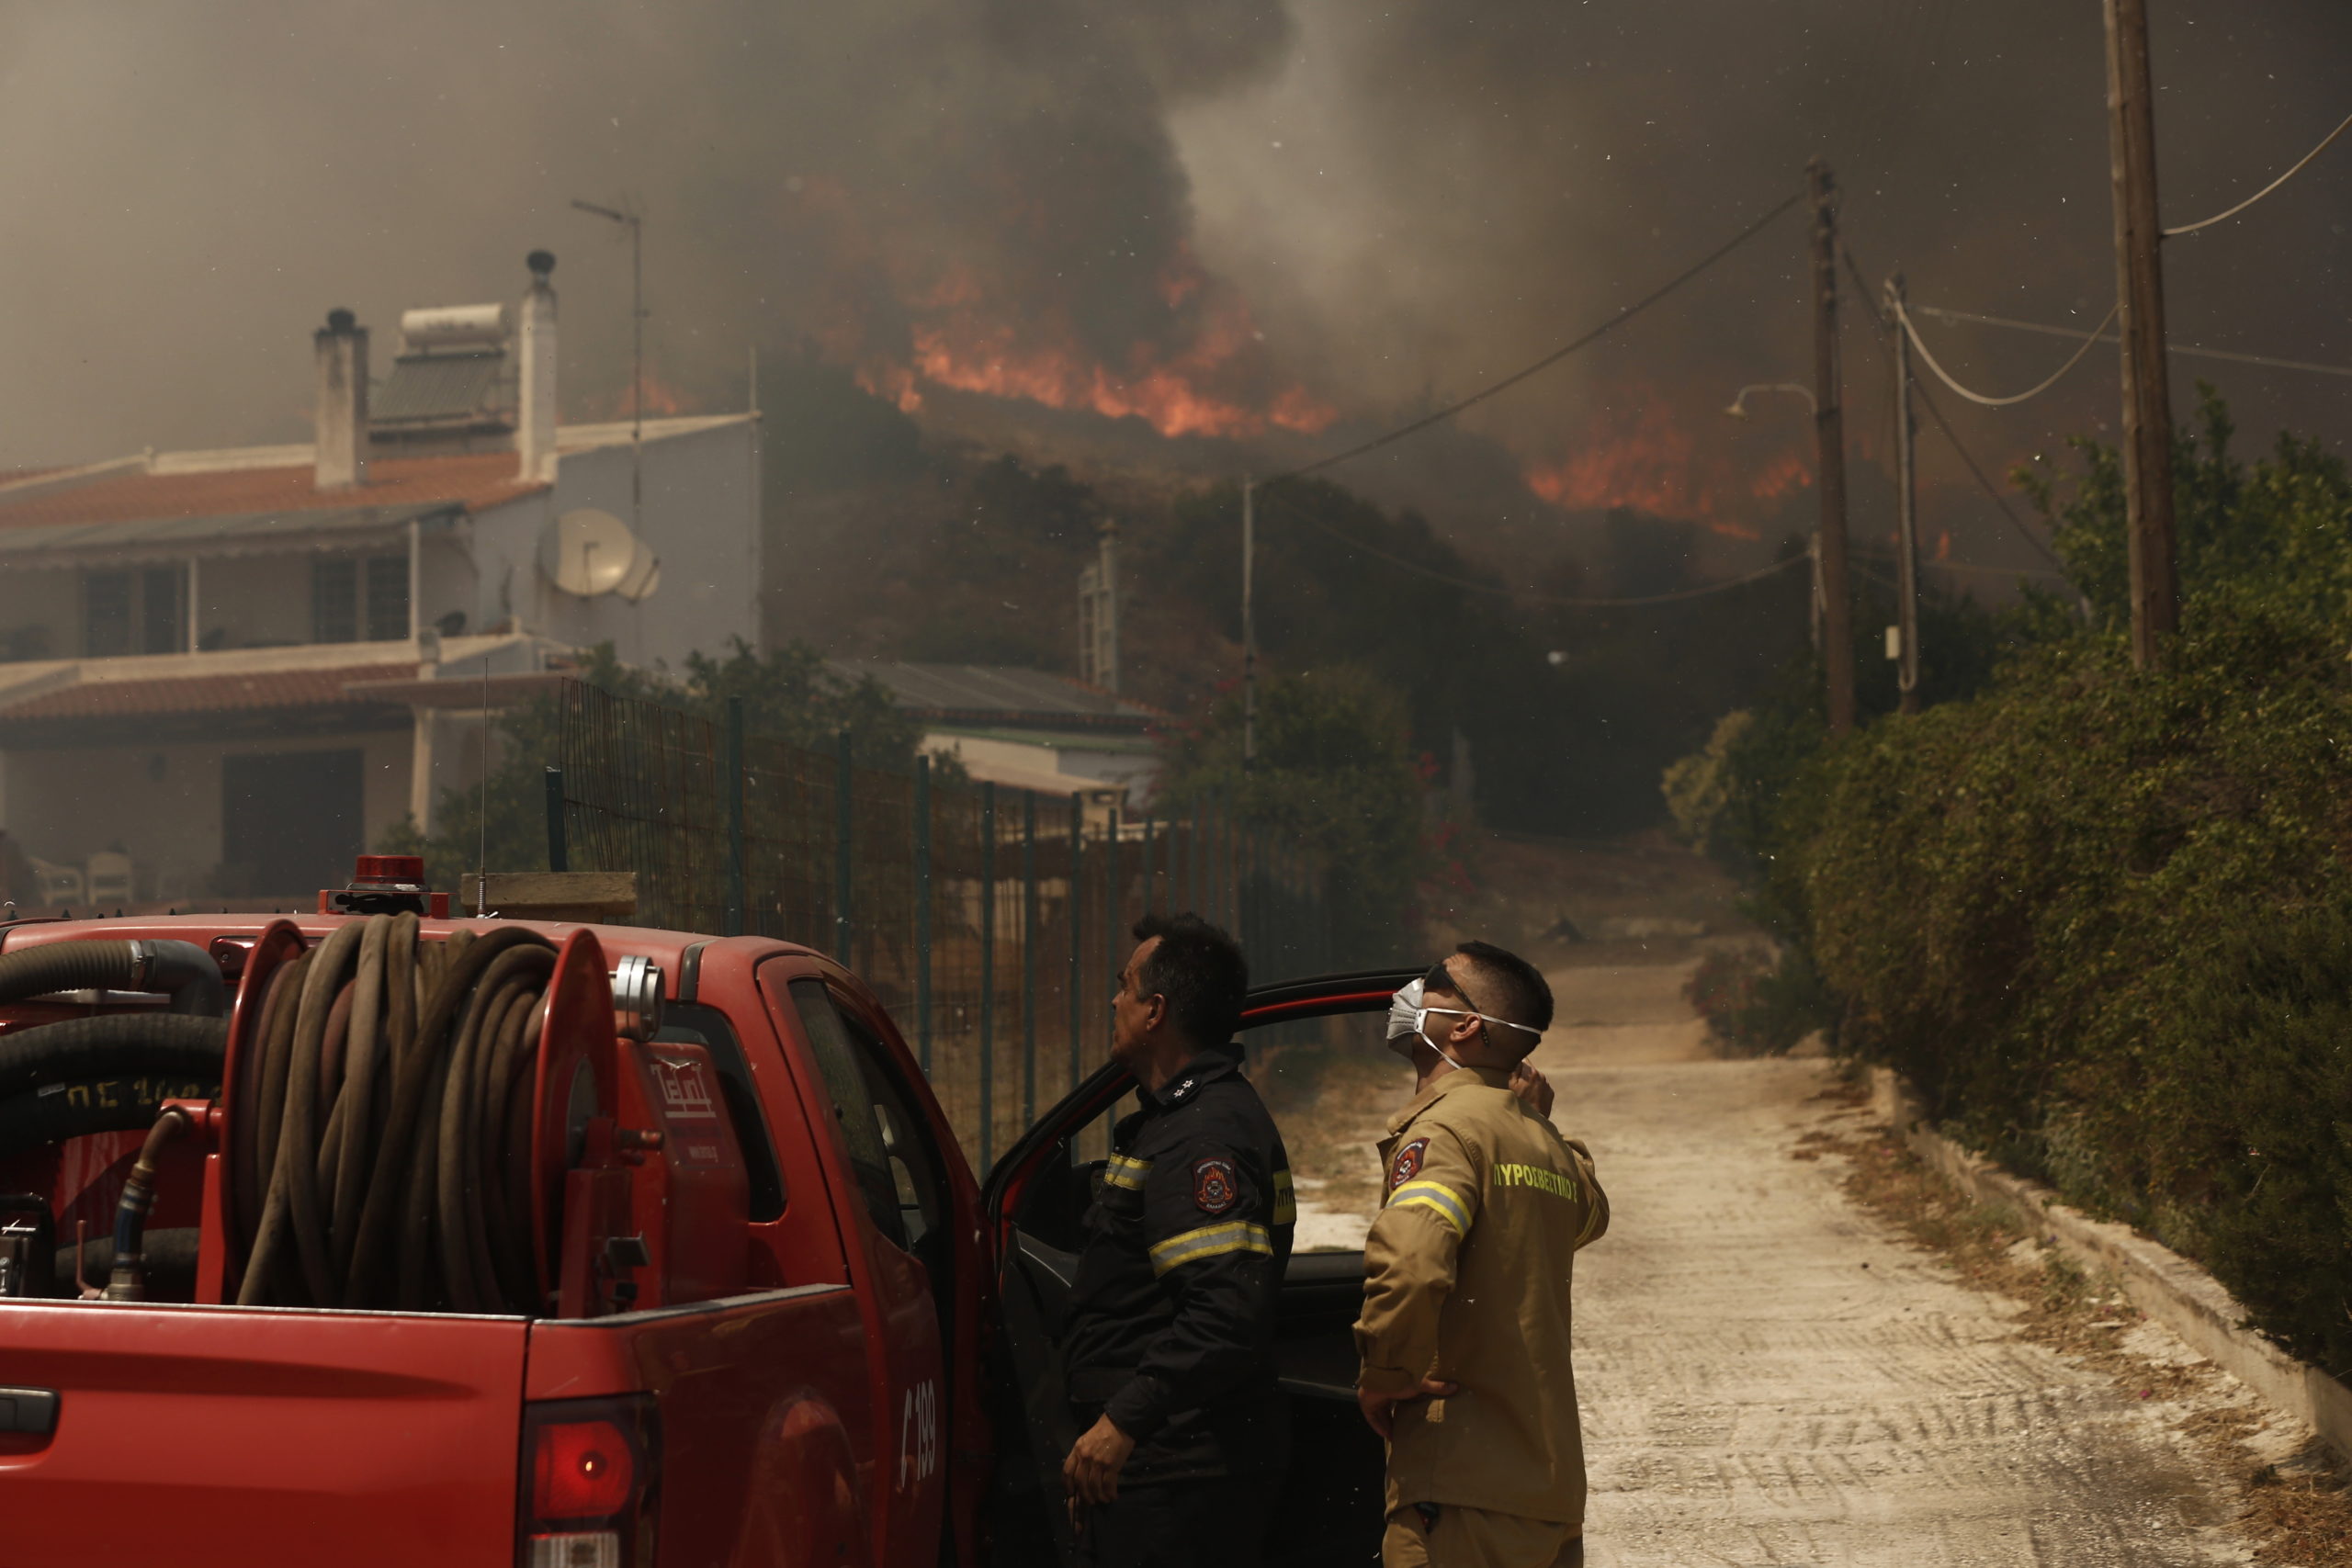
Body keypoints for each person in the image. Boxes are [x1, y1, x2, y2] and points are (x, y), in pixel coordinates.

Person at [1354, 941, 1610, 1568]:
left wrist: (1388, 1375)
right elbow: (1588, 1215)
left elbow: (1412, 1264)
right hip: (1547, 1494)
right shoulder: (1543, 1141)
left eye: (1432, 980)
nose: (1411, 989)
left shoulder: (1444, 1130)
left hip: (1460, 1490)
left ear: (1466, 1024)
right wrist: (1541, 1124)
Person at [1058, 912, 1295, 1567]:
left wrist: (1122, 1423)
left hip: (1178, 1468)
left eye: (1125, 985)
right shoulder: (1183, 1122)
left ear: (1155, 1009)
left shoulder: (1201, 1137)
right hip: (1172, 1459)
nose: (1114, 1000)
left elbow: (1223, 1313)